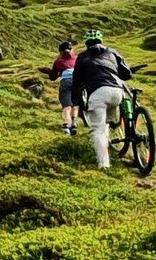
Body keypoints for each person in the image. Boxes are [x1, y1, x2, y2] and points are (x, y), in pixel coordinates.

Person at [71, 28, 132, 170]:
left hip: (98, 93)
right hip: (117, 92)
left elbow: (76, 83)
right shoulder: (112, 52)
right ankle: (121, 144)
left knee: (98, 129)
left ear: (86, 44)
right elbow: (126, 74)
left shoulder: (82, 57)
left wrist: (78, 103)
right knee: (108, 121)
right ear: (101, 41)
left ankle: (104, 165)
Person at [48, 40, 78, 134]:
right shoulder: (77, 58)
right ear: (71, 49)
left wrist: (49, 72)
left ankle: (66, 125)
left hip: (66, 81)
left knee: (67, 106)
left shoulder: (58, 61)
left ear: (60, 51)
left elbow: (52, 77)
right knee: (75, 104)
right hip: (77, 81)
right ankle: (74, 123)